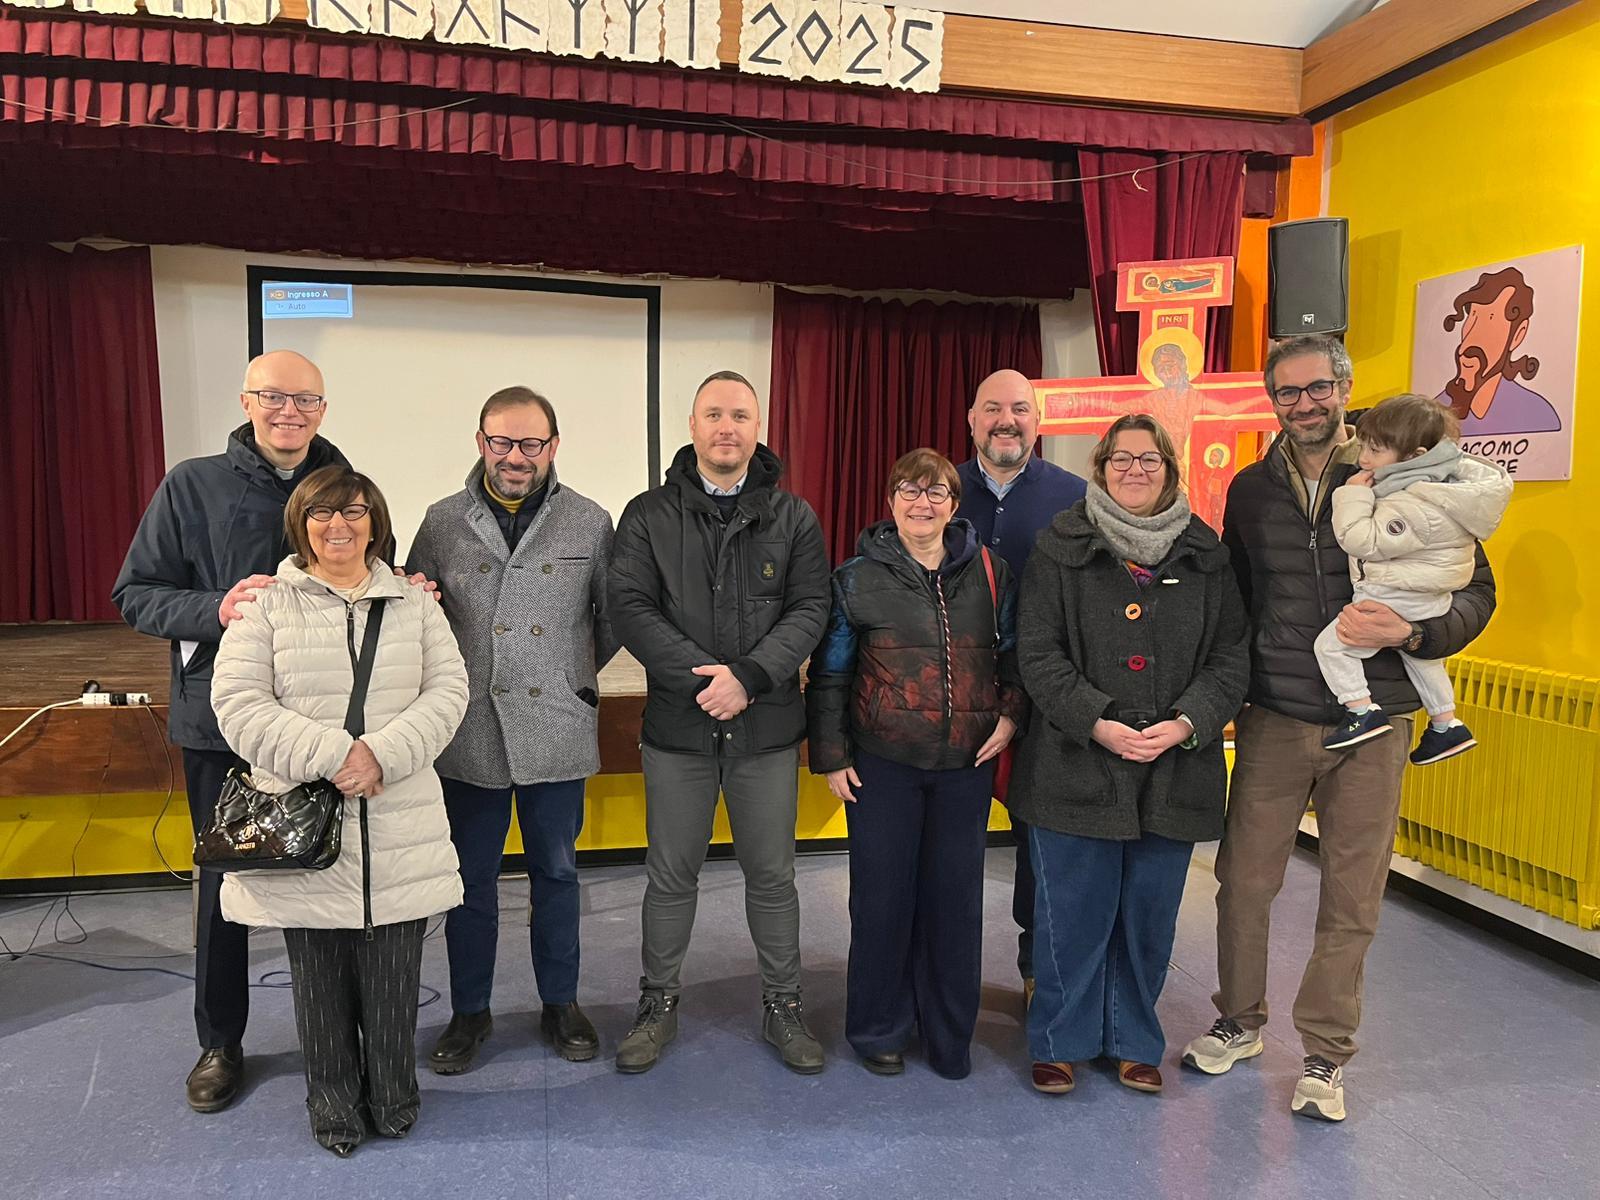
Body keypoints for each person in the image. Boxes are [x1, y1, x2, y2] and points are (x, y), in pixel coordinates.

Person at [1182, 334, 1497, 1123]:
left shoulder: (1411, 470)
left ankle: (1325, 1055)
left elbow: (1474, 590)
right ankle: (1239, 1021)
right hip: (1276, 716)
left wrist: (1416, 634)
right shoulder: (1251, 490)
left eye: (1317, 387)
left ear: (1345, 388)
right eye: (1287, 392)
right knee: (1243, 883)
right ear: (1272, 402)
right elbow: (1236, 599)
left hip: (1377, 721)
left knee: (1352, 897)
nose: (1304, 404)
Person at [112, 350, 381, 1113]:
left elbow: (376, 580)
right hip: (221, 724)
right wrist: (217, 608)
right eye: (274, 397)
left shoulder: (349, 490)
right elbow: (136, 593)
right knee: (225, 886)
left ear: (323, 408)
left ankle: (342, 1038)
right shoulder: (191, 485)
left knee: (333, 882)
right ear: (246, 401)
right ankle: (220, 1041)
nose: (289, 411)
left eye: (305, 399)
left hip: (326, 724)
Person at [210, 467, 468, 1157]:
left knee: (394, 982)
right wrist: (335, 755)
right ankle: (333, 1110)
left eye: (354, 511)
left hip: (400, 821)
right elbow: (238, 705)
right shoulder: (266, 606)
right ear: (301, 524)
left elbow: (449, 691)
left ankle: (394, 1098)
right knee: (318, 987)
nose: (338, 526)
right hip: (307, 828)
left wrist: (382, 754)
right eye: (321, 513)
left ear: (375, 521)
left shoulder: (415, 604)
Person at [1009, 415, 1248, 1097]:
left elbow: (1232, 656)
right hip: (1074, 762)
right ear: (1101, 467)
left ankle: (1132, 1041)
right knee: (1070, 918)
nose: (1134, 470)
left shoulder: (1207, 555)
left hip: (1175, 766)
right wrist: (1097, 721)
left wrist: (1186, 723)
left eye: (1149, 459)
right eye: (1121, 458)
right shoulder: (1060, 548)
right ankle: (1060, 1041)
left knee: (1148, 918)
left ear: (1169, 468)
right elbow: (1038, 653)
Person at [607, 369, 830, 1075]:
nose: (726, 427)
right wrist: (710, 682)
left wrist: (750, 677)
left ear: (758, 428)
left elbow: (811, 608)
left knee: (773, 876)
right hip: (680, 728)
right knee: (670, 876)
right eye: (713, 414)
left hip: (766, 730)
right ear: (693, 426)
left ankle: (784, 1005)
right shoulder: (647, 514)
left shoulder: (794, 518)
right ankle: (658, 1003)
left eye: (739, 415)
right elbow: (630, 607)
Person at [406, 387, 618, 1072]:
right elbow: (418, 615)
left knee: (557, 872)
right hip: (470, 731)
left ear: (553, 446)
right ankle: (470, 1011)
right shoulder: (441, 521)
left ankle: (561, 1003)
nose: (515, 456)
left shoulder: (590, 521)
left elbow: (611, 620)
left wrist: (563, 675)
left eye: (531, 443)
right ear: (481, 443)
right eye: (502, 442)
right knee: (469, 880)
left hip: (556, 726)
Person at [807, 448, 1027, 1079]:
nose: (921, 502)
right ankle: (879, 1027)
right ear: (890, 500)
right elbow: (830, 674)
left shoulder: (991, 572)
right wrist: (831, 755)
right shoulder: (854, 579)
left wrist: (1010, 717)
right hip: (883, 765)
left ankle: (949, 1034)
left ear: (954, 505)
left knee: (955, 904)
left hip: (966, 765)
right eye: (909, 489)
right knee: (881, 901)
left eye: (935, 492)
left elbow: (1014, 655)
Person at [954, 368, 1086, 1009]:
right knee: (952, 850)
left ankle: (1040, 975)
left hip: (1047, 702)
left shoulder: (1076, 498)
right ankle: (949, 976)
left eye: (1019, 408)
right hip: (955, 701)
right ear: (971, 419)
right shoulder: (937, 491)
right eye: (992, 408)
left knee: (1044, 849)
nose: (1006, 420)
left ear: (1038, 419)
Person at [1316, 394, 1512, 764]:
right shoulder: (1442, 493)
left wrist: (1353, 495)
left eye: (1375, 450)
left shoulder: (1411, 502)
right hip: (1429, 597)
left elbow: (1362, 540)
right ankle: (1446, 723)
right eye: (1363, 447)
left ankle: (1361, 710)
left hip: (1393, 594)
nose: (1363, 459)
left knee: (1330, 647)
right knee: (1422, 661)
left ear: (1414, 455)